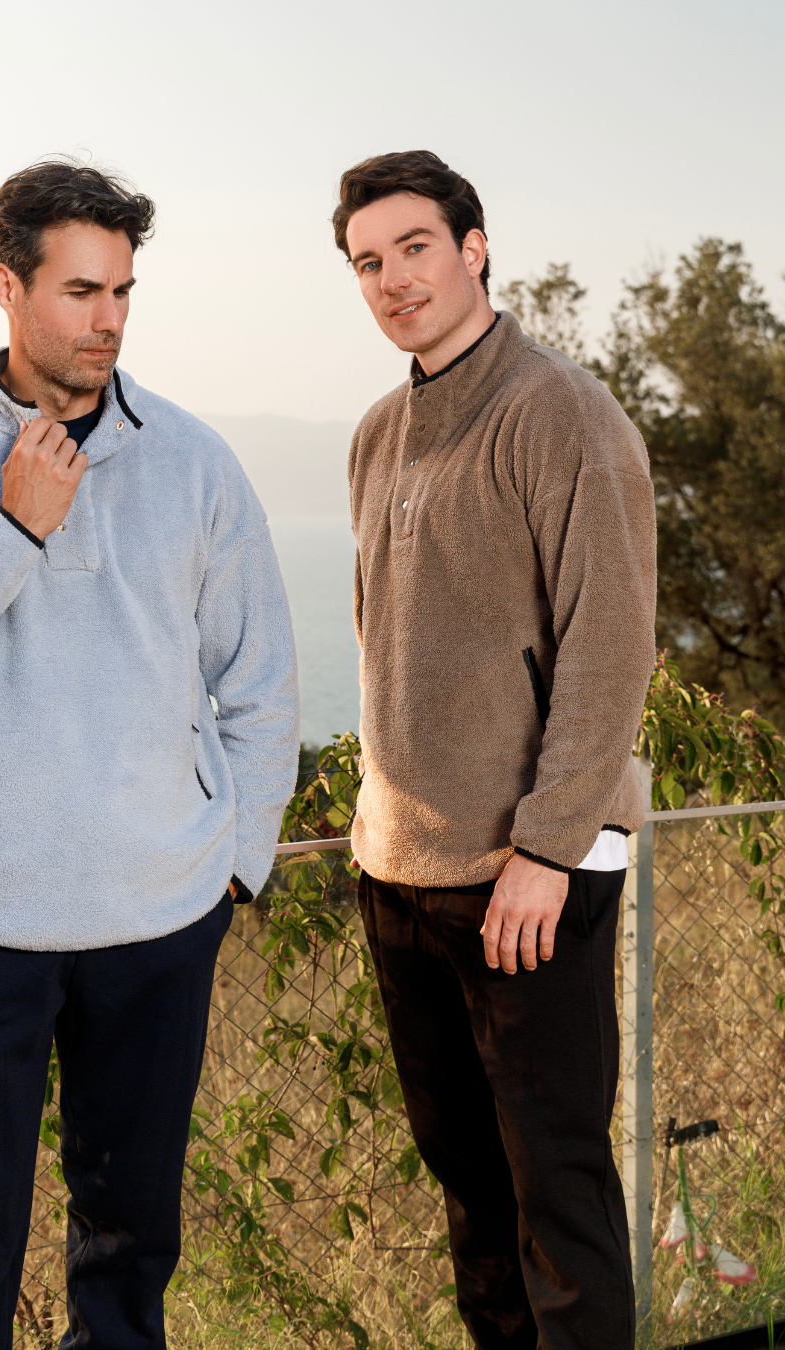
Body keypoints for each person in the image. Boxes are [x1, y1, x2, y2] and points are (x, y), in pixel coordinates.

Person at [0, 158, 299, 1350]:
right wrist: (11, 530)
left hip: (159, 920)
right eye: (82, 291)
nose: (109, 320)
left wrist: (236, 863)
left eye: (123, 291)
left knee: (129, 1263)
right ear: (7, 286)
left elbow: (259, 680)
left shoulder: (196, 461)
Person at [333, 150, 656, 1348]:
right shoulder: (376, 435)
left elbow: (611, 645)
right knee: (472, 1195)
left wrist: (547, 850)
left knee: (556, 1194)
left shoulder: (561, 412)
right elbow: (380, 638)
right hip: (401, 875)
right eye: (368, 262)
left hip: (529, 876)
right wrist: (374, 830)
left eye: (414, 247)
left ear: (474, 249)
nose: (393, 280)